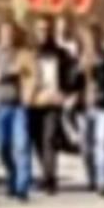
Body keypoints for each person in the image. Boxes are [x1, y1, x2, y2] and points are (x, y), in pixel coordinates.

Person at [26, 15, 75, 196]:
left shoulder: (61, 53)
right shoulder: (28, 51)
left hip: (53, 101)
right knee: (38, 141)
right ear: (34, 30)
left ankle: (50, 179)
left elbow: (72, 76)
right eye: (40, 29)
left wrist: (66, 93)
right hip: (33, 101)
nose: (43, 33)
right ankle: (45, 173)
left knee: (50, 139)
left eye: (47, 29)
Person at [0, 19, 32, 201]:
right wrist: (8, 71)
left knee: (22, 145)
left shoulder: (23, 54)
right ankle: (12, 174)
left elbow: (32, 74)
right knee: (2, 147)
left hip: (18, 106)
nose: (8, 36)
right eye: (4, 33)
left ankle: (22, 186)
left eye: (11, 33)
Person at [77, 23, 104, 197]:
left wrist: (102, 92)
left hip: (102, 107)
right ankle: (92, 177)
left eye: (93, 38)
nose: (90, 42)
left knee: (102, 143)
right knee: (86, 146)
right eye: (86, 39)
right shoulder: (78, 58)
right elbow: (69, 82)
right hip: (84, 107)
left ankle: (103, 181)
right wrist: (78, 69)